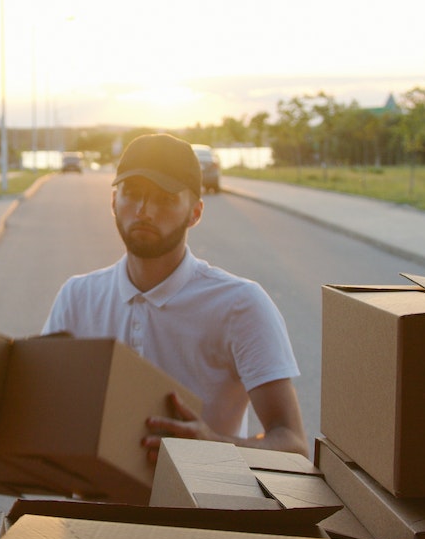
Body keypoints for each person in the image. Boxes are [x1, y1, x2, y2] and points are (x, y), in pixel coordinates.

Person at [42, 133, 310, 460]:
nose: (144, 210)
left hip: (199, 507)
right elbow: (45, 411)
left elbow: (293, 444)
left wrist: (214, 447)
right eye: (132, 193)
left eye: (165, 198)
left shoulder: (241, 305)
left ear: (195, 213)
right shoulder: (77, 297)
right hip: (96, 508)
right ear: (113, 202)